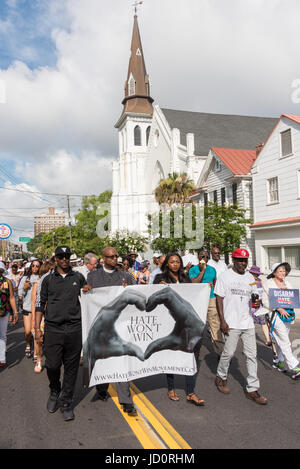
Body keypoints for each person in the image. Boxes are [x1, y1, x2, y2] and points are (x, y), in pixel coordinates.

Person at [35, 246, 87, 421]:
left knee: (71, 369)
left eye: (67, 256)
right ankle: (54, 390)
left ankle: (66, 402)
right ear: (55, 259)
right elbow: (40, 305)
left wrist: (89, 291)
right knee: (52, 366)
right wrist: (37, 329)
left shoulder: (79, 277)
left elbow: (90, 299)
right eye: (61, 256)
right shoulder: (47, 279)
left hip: (74, 328)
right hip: (53, 329)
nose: (64, 259)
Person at [86, 246, 138, 415]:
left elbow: (137, 293)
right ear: (103, 258)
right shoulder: (93, 276)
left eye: (116, 256)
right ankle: (102, 387)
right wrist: (86, 290)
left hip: (121, 325)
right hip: (102, 325)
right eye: (111, 257)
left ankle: (126, 399)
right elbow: (90, 298)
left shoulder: (125, 275)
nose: (115, 259)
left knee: (122, 361)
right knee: (102, 359)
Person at [214, 248, 268, 405]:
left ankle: (252, 389)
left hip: (248, 323)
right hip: (231, 323)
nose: (243, 263)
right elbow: (219, 299)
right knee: (228, 353)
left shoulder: (250, 278)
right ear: (233, 260)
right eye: (240, 260)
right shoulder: (224, 276)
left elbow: (254, 297)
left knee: (252, 356)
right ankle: (221, 376)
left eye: (245, 260)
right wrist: (222, 321)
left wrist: (256, 303)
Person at [153, 253, 205, 406]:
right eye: (172, 262)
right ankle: (171, 387)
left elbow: (192, 294)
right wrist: (159, 287)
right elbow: (152, 294)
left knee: (188, 355)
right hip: (168, 321)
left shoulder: (184, 278)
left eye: (177, 261)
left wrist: (203, 288)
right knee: (171, 354)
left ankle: (190, 392)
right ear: (167, 264)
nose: (175, 264)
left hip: (186, 324)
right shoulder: (159, 279)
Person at [261, 262, 300, 379]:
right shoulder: (268, 284)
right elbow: (266, 301)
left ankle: (279, 361)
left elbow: (292, 298)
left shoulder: (287, 283)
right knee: (284, 340)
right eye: (280, 271)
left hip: (287, 315)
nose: (283, 273)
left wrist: (286, 290)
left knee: (280, 340)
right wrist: (278, 308)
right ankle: (295, 366)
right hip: (275, 315)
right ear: (274, 273)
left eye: (284, 271)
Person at [189, 249, 224, 356]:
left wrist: (213, 287)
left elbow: (215, 283)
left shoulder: (212, 270)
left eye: (206, 257)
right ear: (198, 257)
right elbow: (194, 283)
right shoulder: (193, 270)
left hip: (211, 299)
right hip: (198, 300)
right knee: (197, 326)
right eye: (201, 256)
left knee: (215, 326)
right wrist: (202, 270)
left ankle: (220, 353)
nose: (204, 258)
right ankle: (194, 351)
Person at [31, 261, 53, 373]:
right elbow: (34, 302)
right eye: (50, 271)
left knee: (50, 340)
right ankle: (39, 359)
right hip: (41, 315)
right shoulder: (37, 283)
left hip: (52, 315)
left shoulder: (56, 282)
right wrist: (34, 319)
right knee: (39, 340)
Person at [18, 259, 42, 358]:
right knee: (28, 332)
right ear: (30, 267)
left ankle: (36, 352)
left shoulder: (42, 278)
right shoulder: (25, 278)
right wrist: (24, 288)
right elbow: (20, 294)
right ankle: (28, 344)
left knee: (36, 331)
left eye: (37, 266)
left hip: (38, 309)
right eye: (33, 265)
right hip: (27, 308)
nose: (35, 268)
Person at [0, 262, 18, 367]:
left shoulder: (8, 282)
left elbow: (11, 297)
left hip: (4, 311)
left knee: (2, 335)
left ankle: (2, 358)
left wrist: (15, 312)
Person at [248, 265, 271, 346]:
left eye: (257, 275)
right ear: (250, 273)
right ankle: (249, 341)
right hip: (249, 305)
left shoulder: (260, 281)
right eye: (254, 274)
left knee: (263, 322)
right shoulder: (247, 281)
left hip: (259, 305)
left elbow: (265, 291)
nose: (256, 276)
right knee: (250, 324)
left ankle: (268, 340)